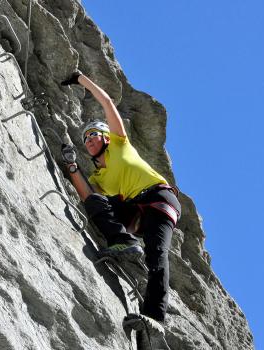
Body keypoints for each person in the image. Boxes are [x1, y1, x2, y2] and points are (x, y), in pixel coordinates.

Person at [60, 72, 181, 335]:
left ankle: (154, 320)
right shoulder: (99, 175)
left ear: (105, 136)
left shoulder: (120, 145)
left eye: (93, 135)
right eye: (85, 139)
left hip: (159, 198)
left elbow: (107, 104)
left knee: (156, 254)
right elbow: (88, 195)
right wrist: (71, 165)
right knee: (94, 201)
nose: (89, 140)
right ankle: (123, 241)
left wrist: (82, 80)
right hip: (136, 209)